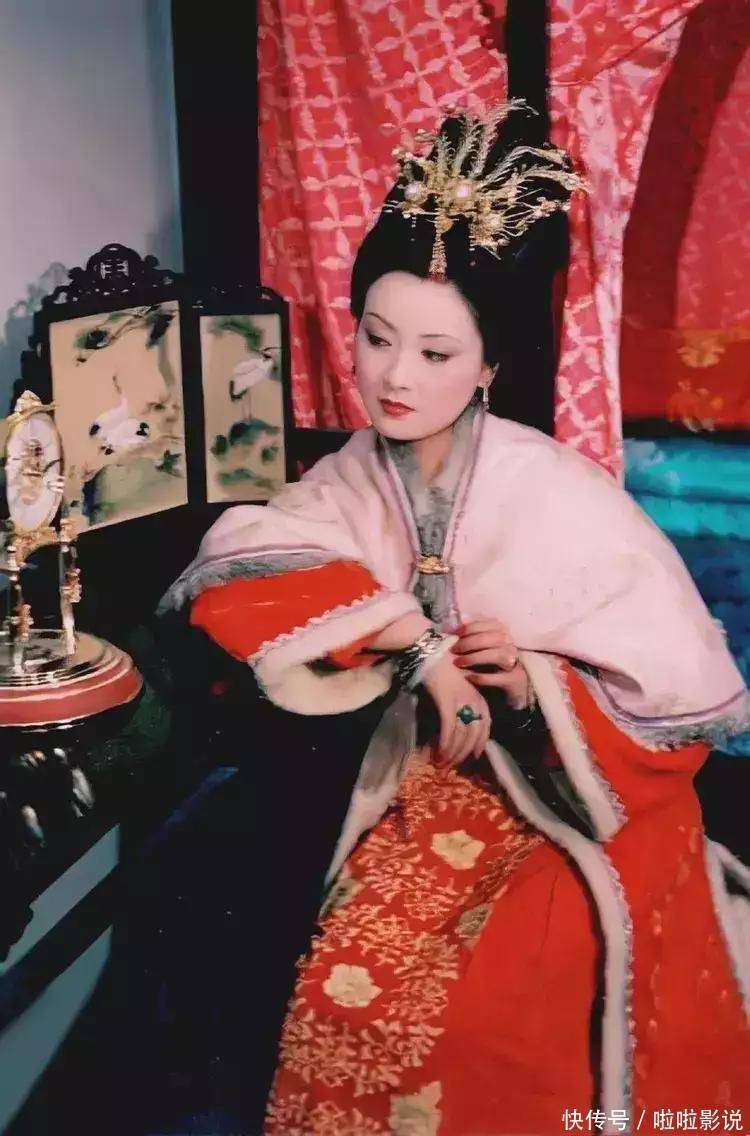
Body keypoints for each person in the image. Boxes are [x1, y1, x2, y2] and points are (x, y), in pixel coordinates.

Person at [160, 103, 750, 1136]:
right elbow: (242, 568)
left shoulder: (561, 495)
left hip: (572, 803)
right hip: (417, 781)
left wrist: (530, 685)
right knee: (343, 984)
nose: (394, 377)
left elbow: (678, 716)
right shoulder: (348, 478)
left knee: (506, 1005)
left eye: (437, 353)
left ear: (489, 367)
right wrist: (421, 646)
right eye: (377, 337)